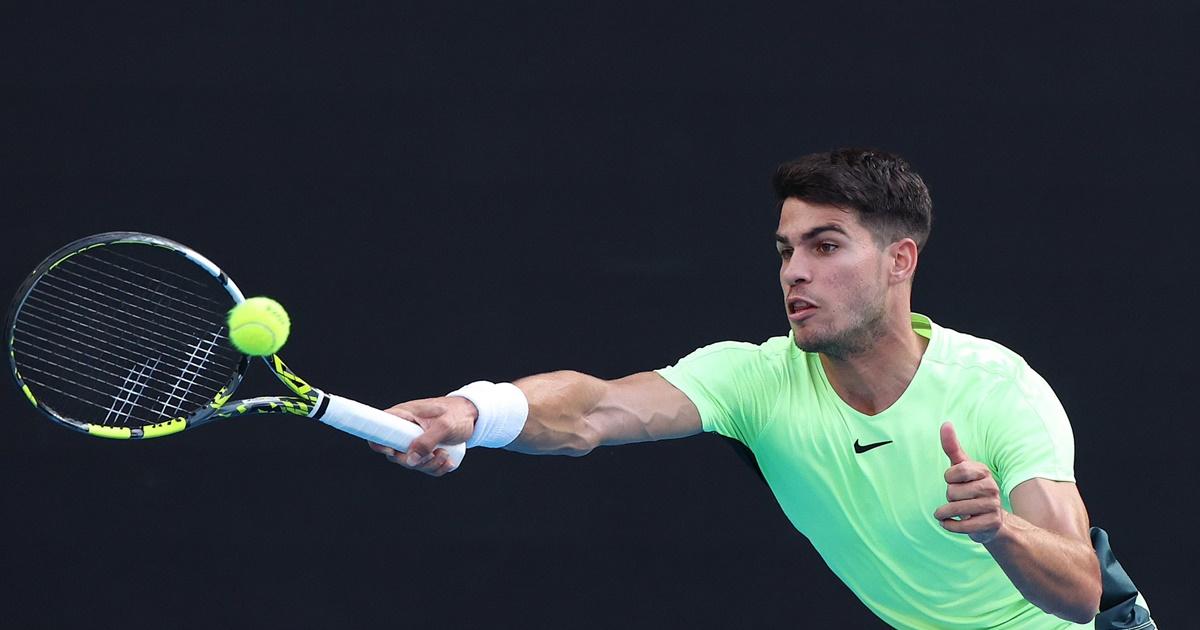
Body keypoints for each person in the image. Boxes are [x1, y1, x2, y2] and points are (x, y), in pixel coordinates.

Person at [367, 149, 1154, 629]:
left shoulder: (997, 389)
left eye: (825, 246)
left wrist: (999, 530)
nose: (795, 272)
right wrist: (476, 411)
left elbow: (1080, 594)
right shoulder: (755, 378)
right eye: (785, 251)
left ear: (900, 261)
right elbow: (594, 409)